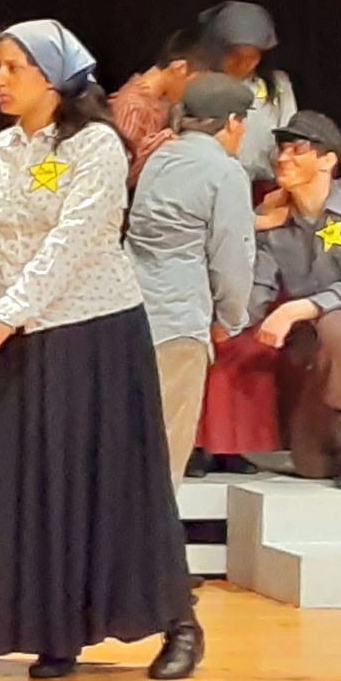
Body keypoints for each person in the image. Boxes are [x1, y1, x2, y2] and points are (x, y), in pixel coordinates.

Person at [0, 19, 202, 681]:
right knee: (36, 486)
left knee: (116, 484)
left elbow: (77, 239)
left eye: (14, 68)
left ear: (54, 75)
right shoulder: (3, 147)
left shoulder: (97, 145)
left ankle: (179, 620)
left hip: (93, 334)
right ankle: (54, 628)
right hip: (27, 339)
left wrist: (4, 312)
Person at [248, 111, 341, 490]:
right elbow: (259, 290)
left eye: (298, 150)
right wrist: (227, 321)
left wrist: (298, 308)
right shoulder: (275, 218)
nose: (283, 159)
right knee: (314, 463)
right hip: (318, 338)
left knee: (337, 326)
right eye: (281, 150)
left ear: (328, 160)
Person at [127, 73, 256, 488]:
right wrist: (230, 318)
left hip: (129, 311)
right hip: (179, 319)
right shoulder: (225, 172)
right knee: (166, 450)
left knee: (127, 443)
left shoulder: (159, 157)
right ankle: (150, 549)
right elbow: (232, 256)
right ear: (233, 122)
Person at [198, 0, 298, 186]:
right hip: (212, 183)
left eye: (252, 56)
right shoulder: (199, 86)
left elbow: (289, 135)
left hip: (264, 185)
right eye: (235, 56)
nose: (243, 64)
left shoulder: (278, 85)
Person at [110, 25, 209, 188]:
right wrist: (164, 141)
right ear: (180, 68)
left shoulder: (160, 102)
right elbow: (118, 175)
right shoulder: (132, 106)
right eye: (196, 81)